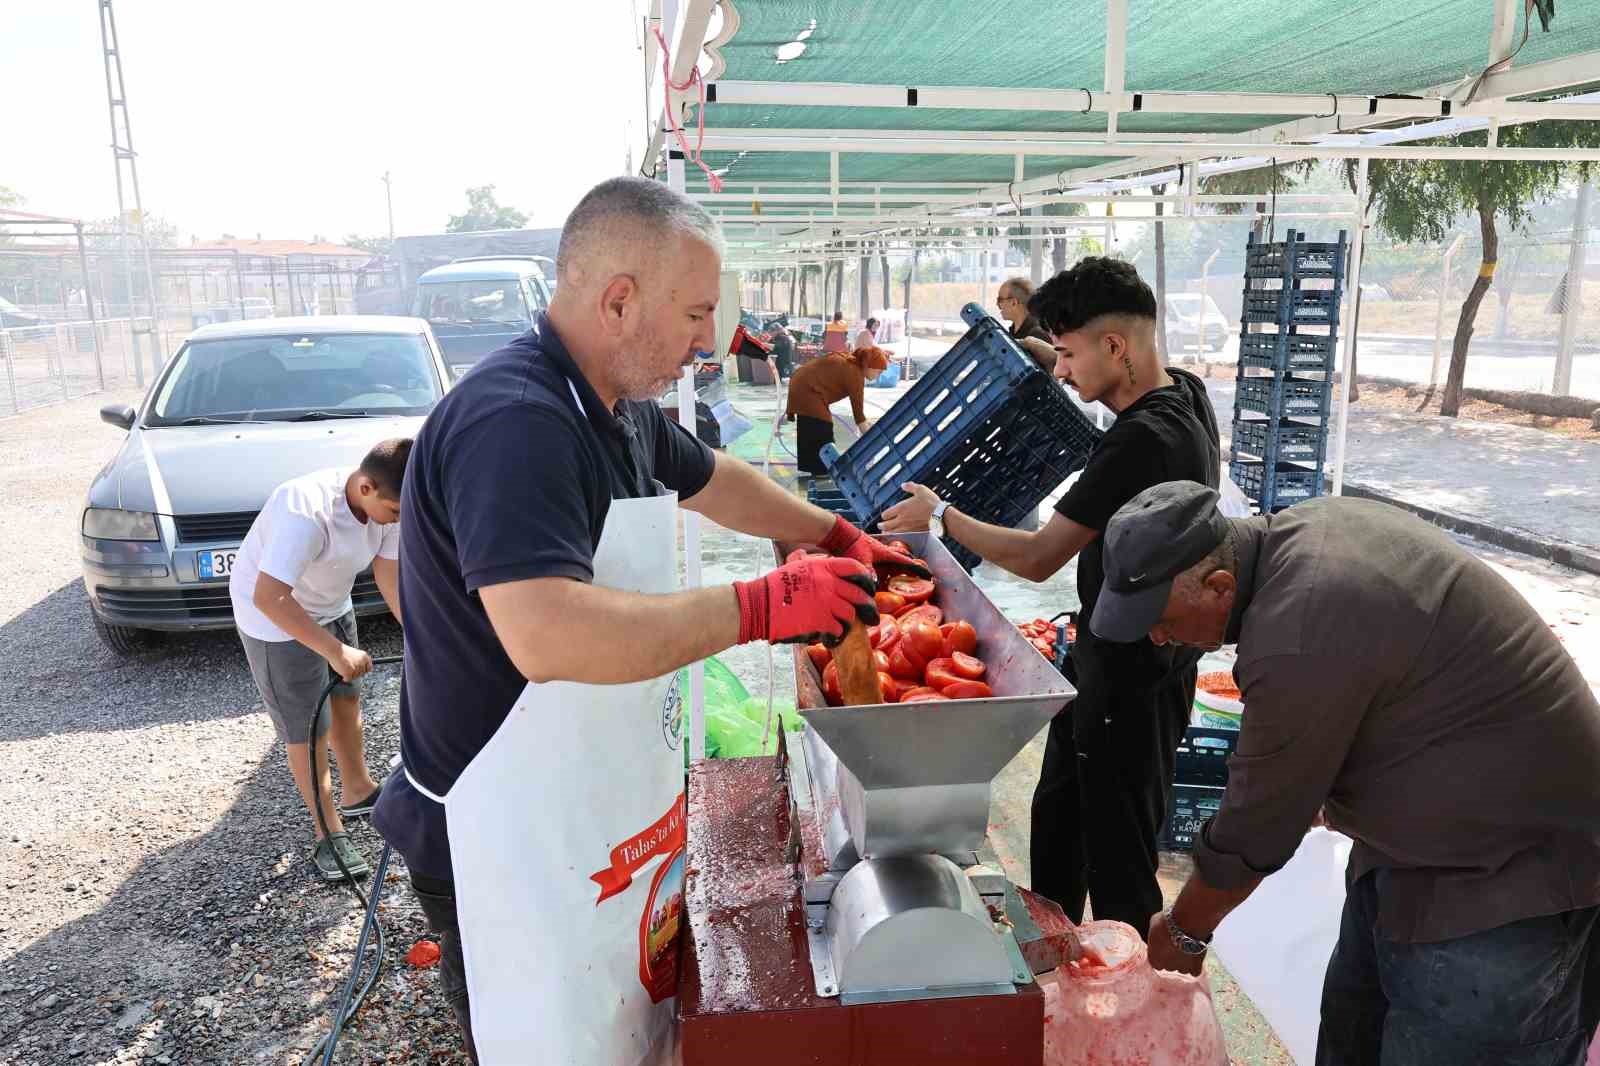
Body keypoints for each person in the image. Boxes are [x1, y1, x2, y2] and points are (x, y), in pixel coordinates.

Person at [370, 176, 926, 1065]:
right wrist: (763, 604)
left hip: (581, 794)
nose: (709, 341)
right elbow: (547, 632)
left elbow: (711, 476)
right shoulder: (519, 422)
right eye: (697, 313)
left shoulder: (612, 404)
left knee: (619, 1025)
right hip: (499, 827)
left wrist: (831, 532)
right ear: (619, 300)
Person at [1094, 481, 1600, 1065]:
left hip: (1511, 880)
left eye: (1159, 620)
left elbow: (1256, 827)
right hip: (1406, 853)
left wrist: (1184, 932)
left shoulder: (1297, 626)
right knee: (1351, 1033)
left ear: (1219, 586)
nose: (1158, 638)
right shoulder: (1304, 537)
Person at [880, 257, 1220, 937]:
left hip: (1130, 675)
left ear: (1115, 346)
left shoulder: (1142, 441)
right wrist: (1043, 348)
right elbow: (1096, 374)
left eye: (1067, 354)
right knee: (1061, 819)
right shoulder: (1185, 392)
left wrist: (940, 516)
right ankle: (1056, 954)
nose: (1060, 372)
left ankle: (1134, 984)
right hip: (1125, 658)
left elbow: (1040, 558)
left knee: (1118, 857)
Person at [228, 439, 409, 883]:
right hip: (274, 618)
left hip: (330, 602)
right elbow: (269, 597)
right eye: (393, 512)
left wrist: (418, 631)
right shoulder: (307, 512)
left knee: (346, 697)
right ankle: (327, 831)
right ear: (364, 487)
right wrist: (334, 650)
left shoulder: (390, 501)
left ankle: (358, 789)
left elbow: (388, 572)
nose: (396, 520)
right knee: (309, 726)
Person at [783, 345, 891, 476]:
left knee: (810, 426)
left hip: (800, 382)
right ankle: (821, 470)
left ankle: (815, 469)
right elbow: (859, 416)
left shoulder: (850, 362)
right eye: (879, 372)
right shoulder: (854, 373)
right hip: (808, 390)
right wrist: (873, 441)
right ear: (869, 366)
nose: (878, 376)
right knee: (822, 427)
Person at [998, 276, 1058, 372]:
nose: (998, 305)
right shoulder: (1014, 332)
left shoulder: (1037, 334)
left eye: (1000, 300)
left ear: (1014, 302)